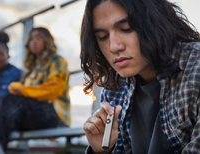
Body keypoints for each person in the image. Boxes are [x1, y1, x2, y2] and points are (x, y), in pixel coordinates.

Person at [80, 0, 200, 153]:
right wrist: (104, 150)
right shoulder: (114, 89)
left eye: (126, 28)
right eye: (103, 36)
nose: (114, 47)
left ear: (155, 22)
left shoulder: (195, 67)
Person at [0, 27, 70, 154]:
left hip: (54, 115)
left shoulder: (57, 61)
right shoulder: (31, 68)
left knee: (8, 98)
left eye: (38, 38)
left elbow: (54, 90)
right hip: (34, 114)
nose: (33, 42)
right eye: (31, 39)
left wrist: (23, 90)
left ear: (47, 41)